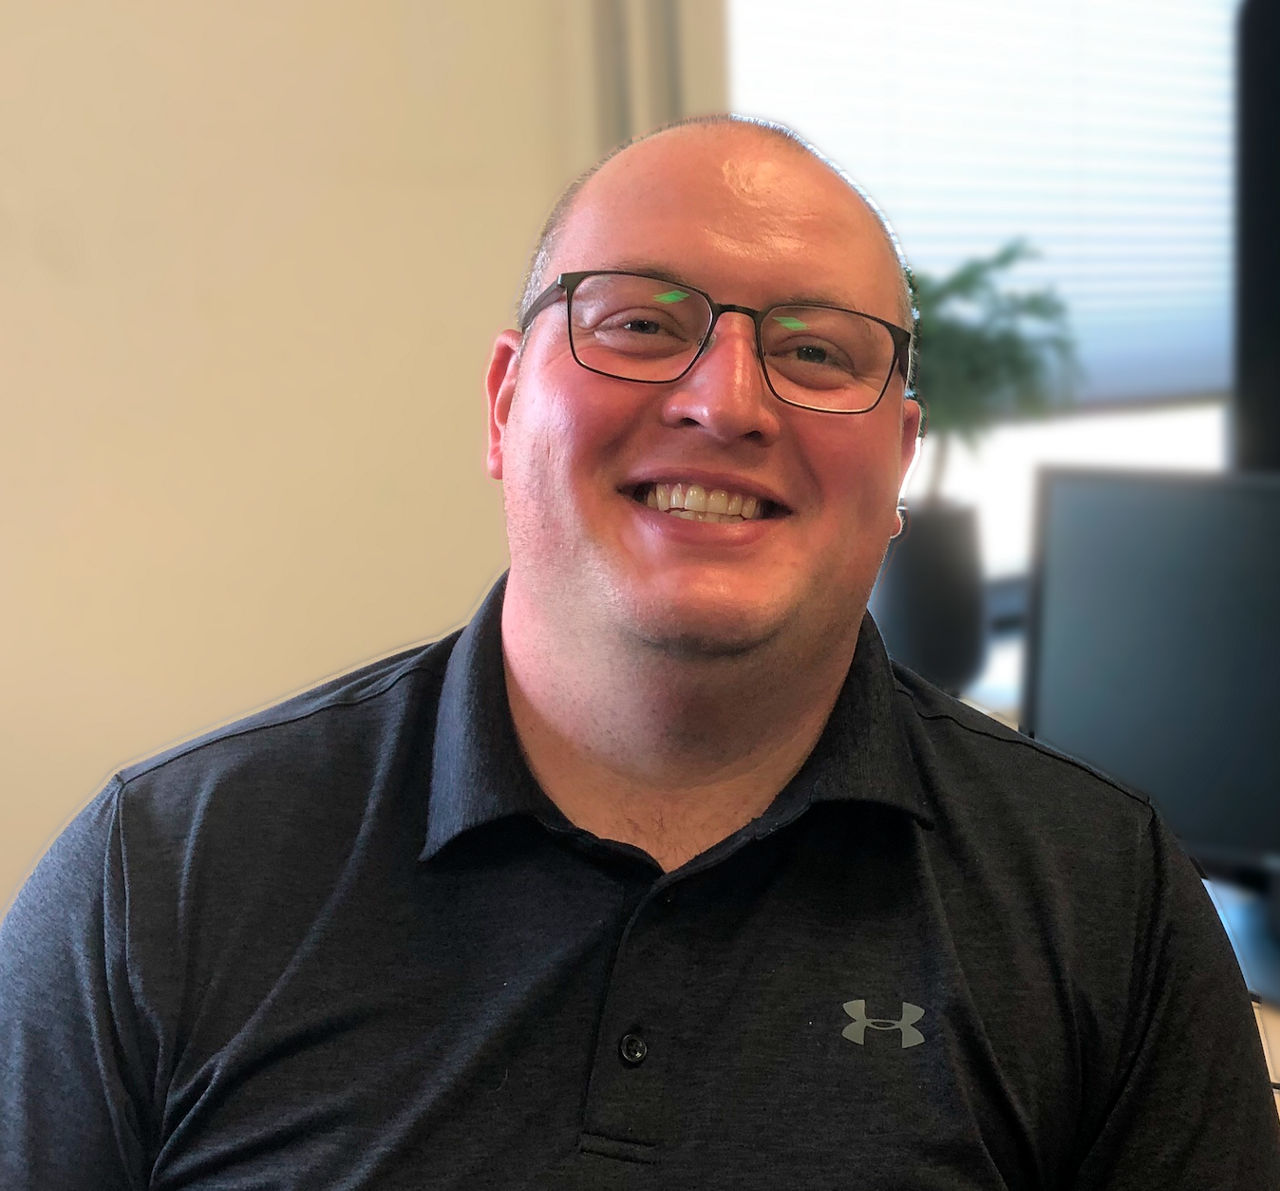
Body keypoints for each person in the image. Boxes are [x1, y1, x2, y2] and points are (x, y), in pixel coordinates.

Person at [1, 115, 1276, 1189]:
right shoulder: (159, 878)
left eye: (814, 351)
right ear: (505, 404)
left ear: (897, 460)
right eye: (639, 326)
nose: (725, 402)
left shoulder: (1101, 901)